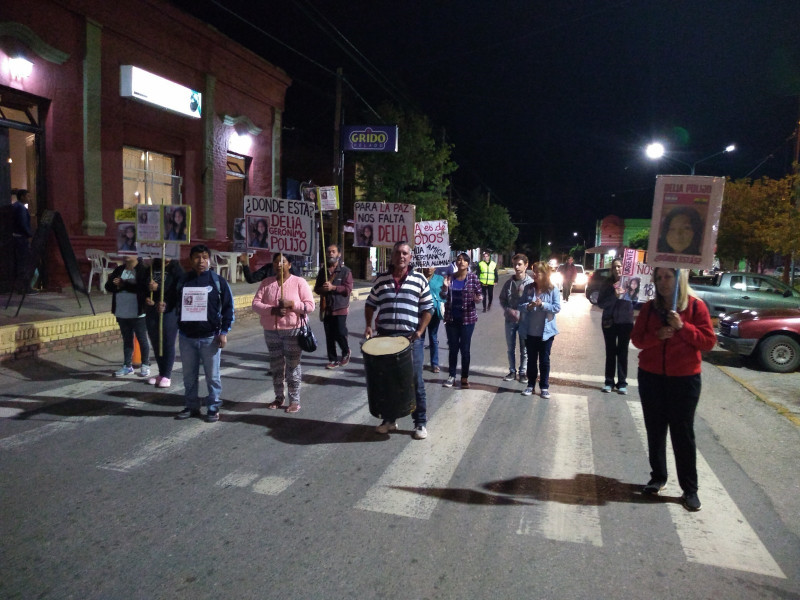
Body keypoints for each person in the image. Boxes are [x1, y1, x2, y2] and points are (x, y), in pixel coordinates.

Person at [631, 267, 715, 511]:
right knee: (655, 431)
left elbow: (708, 342)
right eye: (658, 277)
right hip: (651, 377)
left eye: (668, 277)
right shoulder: (649, 308)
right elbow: (637, 340)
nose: (662, 282)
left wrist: (682, 327)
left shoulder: (696, 307)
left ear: (680, 278)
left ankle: (690, 490)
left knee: (682, 434)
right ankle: (658, 478)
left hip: (684, 380)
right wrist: (658, 335)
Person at [365, 241, 433, 440]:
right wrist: (369, 324)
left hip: (410, 339)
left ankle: (420, 422)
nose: (401, 256)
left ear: (410, 257)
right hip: (385, 339)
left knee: (414, 380)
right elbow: (370, 304)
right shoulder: (381, 280)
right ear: (392, 256)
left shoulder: (419, 279)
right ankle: (389, 420)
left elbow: (428, 308)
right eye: (397, 253)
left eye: (404, 253)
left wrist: (420, 331)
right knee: (387, 381)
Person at [171, 244, 235, 423]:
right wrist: (162, 306)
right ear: (191, 260)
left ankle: (213, 407)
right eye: (197, 257)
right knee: (189, 376)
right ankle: (191, 406)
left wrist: (223, 332)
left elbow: (229, 309)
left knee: (212, 376)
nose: (201, 261)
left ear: (209, 260)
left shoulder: (218, 282)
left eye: (205, 257)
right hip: (186, 337)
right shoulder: (183, 281)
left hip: (210, 338)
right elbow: (173, 303)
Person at [253, 253, 315, 413]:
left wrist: (292, 304)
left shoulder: (299, 282)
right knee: (276, 366)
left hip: (293, 330)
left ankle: (294, 400)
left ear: (289, 264)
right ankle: (278, 397)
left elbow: (310, 306)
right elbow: (256, 305)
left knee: (293, 366)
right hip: (271, 331)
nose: (279, 264)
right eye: (275, 262)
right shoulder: (267, 283)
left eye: (283, 261)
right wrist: (272, 310)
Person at [518, 261, 561, 398]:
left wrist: (543, 304)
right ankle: (530, 385)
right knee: (531, 360)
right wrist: (528, 306)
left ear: (545, 274)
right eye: (534, 271)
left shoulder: (552, 289)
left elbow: (556, 307)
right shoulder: (528, 288)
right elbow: (521, 305)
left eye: (538, 272)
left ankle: (544, 387)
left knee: (544, 360)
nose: (535, 274)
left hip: (546, 332)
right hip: (530, 331)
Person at [440, 252, 483, 389]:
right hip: (451, 318)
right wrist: (445, 288)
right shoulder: (450, 278)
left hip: (467, 319)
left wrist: (478, 299)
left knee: (465, 349)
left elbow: (479, 294)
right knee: (453, 348)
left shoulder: (473, 278)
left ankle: (464, 377)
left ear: (468, 263)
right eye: (459, 260)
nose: (461, 262)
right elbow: (443, 296)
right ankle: (451, 376)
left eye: (464, 260)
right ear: (456, 263)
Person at [105, 255, 152, 378]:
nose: (126, 254)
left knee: (142, 339)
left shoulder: (143, 270)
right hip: (121, 311)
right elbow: (108, 286)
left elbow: (143, 288)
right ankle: (127, 366)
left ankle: (145, 365)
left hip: (137, 312)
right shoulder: (119, 269)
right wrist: (115, 284)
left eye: (129, 252)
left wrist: (124, 284)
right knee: (127, 339)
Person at [597, 258, 635, 394]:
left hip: (626, 322)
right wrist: (614, 295)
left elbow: (637, 301)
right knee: (611, 352)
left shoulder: (632, 282)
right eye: (615, 267)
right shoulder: (607, 283)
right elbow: (601, 303)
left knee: (623, 352)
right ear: (612, 269)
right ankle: (609, 382)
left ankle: (622, 383)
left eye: (620, 266)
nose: (618, 269)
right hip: (609, 321)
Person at [314, 243, 353, 369]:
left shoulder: (345, 271)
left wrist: (333, 287)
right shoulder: (323, 271)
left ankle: (346, 351)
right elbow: (316, 289)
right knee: (329, 335)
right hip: (327, 308)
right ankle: (333, 359)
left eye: (333, 251)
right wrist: (323, 289)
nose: (331, 254)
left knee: (340, 332)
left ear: (339, 254)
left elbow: (347, 289)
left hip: (340, 307)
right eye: (329, 252)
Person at [144, 258, 182, 388]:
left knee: (167, 341)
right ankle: (160, 373)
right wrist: (147, 297)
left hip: (169, 311)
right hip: (152, 310)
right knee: (155, 341)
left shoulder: (177, 270)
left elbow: (177, 291)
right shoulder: (150, 269)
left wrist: (159, 288)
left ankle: (167, 374)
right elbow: (140, 287)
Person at [498, 253, 533, 383]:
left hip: (525, 321)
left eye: (519, 264)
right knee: (510, 347)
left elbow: (533, 301)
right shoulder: (509, 283)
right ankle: (512, 371)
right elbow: (502, 299)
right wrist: (508, 310)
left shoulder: (531, 283)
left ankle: (523, 372)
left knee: (524, 348)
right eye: (514, 264)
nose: (517, 267)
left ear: (526, 265)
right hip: (510, 320)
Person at [422, 266, 445, 373]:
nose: (428, 269)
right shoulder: (418, 278)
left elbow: (444, 296)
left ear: (435, 268)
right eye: (426, 266)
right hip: (420, 312)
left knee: (433, 337)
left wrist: (445, 289)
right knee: (419, 338)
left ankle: (434, 364)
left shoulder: (440, 279)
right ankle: (418, 363)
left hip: (434, 312)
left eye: (431, 266)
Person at [10, 189, 34, 293]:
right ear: (23, 197)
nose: (30, 198)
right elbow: (23, 224)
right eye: (28, 196)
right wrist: (29, 234)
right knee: (24, 263)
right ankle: (25, 287)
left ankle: (19, 286)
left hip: (15, 238)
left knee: (19, 263)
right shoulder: (21, 208)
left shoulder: (15, 206)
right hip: (21, 239)